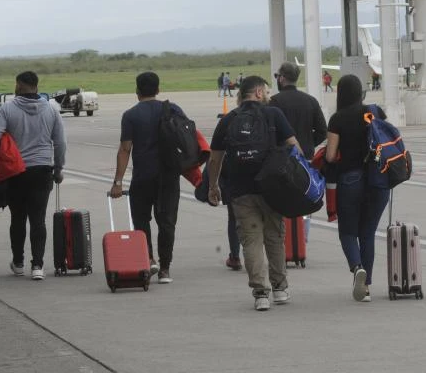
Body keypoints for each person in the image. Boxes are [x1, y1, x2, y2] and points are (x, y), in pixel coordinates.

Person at [206, 75, 300, 311]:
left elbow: (215, 157)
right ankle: (279, 289)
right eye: (266, 91)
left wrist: (213, 186)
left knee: (251, 241)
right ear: (258, 92)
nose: (268, 94)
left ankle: (260, 294)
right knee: (274, 237)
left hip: (240, 191)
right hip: (271, 189)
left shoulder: (228, 120)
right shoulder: (273, 115)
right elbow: (294, 147)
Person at [0, 71, 66, 281]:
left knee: (18, 217)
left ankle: (19, 262)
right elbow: (60, 143)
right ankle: (38, 265)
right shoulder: (52, 109)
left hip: (16, 171)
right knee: (38, 218)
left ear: (20, 85)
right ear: (36, 86)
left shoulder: (7, 108)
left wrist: (2, 151)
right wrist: (58, 168)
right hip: (42, 170)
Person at [108, 71, 185, 283]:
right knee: (167, 222)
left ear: (137, 91)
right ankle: (165, 269)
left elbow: (125, 150)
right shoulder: (173, 109)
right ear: (158, 90)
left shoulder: (130, 115)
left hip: (142, 178)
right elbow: (186, 140)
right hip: (169, 177)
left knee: (141, 221)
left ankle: (148, 259)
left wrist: (117, 182)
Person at [324, 74, 390, 303]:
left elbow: (331, 156)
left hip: (350, 180)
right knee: (368, 233)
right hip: (378, 181)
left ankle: (357, 267)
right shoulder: (374, 112)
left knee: (348, 232)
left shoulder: (338, 119)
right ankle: (367, 287)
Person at [270, 61, 328, 242]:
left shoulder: (275, 102)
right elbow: (322, 130)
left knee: (280, 200)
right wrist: (309, 144)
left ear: (283, 78)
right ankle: (302, 240)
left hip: (281, 160)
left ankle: (284, 242)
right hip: (305, 160)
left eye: (277, 76)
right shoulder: (310, 101)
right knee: (304, 198)